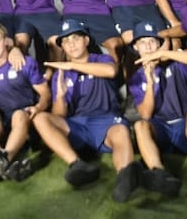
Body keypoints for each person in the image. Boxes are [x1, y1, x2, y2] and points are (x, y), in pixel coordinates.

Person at [32, 19, 137, 201]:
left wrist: (71, 65)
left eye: (75, 38)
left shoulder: (100, 59)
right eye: (66, 41)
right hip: (78, 124)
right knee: (41, 119)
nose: (71, 44)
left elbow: (111, 72)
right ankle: (78, 165)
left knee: (121, 131)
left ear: (86, 41)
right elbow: (58, 116)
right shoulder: (61, 74)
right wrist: (61, 97)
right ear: (62, 47)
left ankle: (125, 177)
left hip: (106, 120)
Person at [130, 19, 187, 194]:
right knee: (140, 125)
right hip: (160, 129)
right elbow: (146, 114)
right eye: (143, 42)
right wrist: (150, 83)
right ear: (136, 47)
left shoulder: (175, 63)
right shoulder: (137, 77)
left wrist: (168, 54)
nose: (148, 47)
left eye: (152, 42)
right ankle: (159, 174)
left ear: (159, 44)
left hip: (184, 126)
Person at [0, 23, 49, 182]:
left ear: (5, 41)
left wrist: (38, 107)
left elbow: (45, 94)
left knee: (18, 115)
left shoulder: (24, 62)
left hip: (25, 117)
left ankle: (5, 158)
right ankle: (1, 156)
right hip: (2, 121)